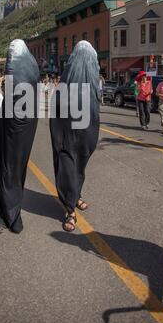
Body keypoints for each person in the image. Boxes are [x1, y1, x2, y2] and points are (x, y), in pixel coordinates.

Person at [0, 39, 39, 235]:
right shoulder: (27, 71)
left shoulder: (29, 75)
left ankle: (13, 215)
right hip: (6, 132)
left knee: (16, 173)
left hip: (22, 132)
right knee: (3, 172)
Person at [50, 41, 100, 233]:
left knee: (79, 167)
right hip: (68, 135)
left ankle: (76, 195)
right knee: (69, 167)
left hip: (86, 134)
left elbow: (95, 111)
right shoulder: (64, 87)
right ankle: (70, 210)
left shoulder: (91, 85)